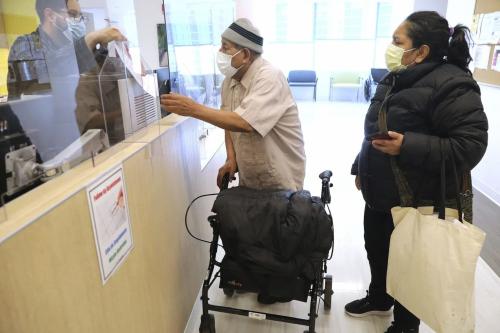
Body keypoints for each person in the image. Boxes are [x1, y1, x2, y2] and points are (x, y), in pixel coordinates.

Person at [346, 11, 488, 333]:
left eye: (398, 42)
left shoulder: (453, 84)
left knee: (410, 265)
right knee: (377, 249)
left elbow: (470, 145)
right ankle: (379, 297)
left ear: (421, 51)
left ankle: (405, 326)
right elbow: (377, 128)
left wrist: (407, 145)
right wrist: (361, 163)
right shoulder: (395, 76)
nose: (390, 47)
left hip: (417, 197)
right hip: (381, 192)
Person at [161, 18, 306, 191]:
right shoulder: (229, 82)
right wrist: (231, 158)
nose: (219, 51)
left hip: (281, 182)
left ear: (245, 55)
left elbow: (243, 122)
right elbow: (228, 123)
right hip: (251, 181)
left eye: (225, 46)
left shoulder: (269, 77)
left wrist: (193, 109)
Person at [7, 0, 125, 98]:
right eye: (73, 14)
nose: (79, 21)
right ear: (50, 15)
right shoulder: (25, 44)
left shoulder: (72, 46)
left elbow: (104, 80)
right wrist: (90, 40)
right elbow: (41, 75)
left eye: (80, 16)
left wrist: (124, 61)